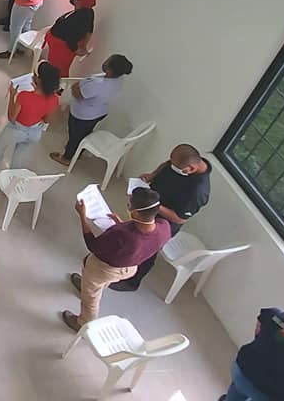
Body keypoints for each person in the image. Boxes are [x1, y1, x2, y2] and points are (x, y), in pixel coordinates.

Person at [62, 187, 171, 330]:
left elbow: (93, 245)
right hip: (130, 268)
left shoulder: (122, 234)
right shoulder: (165, 227)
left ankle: (83, 323)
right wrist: (120, 223)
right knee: (101, 283)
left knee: (91, 296)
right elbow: (144, 239)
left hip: (104, 269)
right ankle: (87, 285)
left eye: (129, 205)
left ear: (136, 213)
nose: (128, 206)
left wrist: (82, 216)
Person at [112, 144, 212, 291]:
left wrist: (155, 205)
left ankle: (131, 282)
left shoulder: (198, 191)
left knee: (146, 249)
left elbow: (179, 218)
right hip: (152, 205)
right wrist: (153, 175)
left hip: (164, 221)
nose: (172, 166)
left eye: (176, 167)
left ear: (191, 169)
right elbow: (167, 164)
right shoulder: (186, 161)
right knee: (133, 236)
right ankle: (119, 261)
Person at [52, 54, 133, 166]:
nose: (105, 62)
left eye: (107, 61)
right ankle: (78, 151)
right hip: (99, 112)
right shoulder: (118, 80)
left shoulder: (98, 85)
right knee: (85, 132)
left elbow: (78, 94)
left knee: (75, 135)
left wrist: (75, 86)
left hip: (83, 115)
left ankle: (67, 158)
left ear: (109, 70)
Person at [0, 62, 63, 172]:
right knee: (19, 158)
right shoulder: (55, 99)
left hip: (16, 130)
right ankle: (13, 176)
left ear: (38, 80)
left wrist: (12, 95)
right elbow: (46, 120)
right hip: (35, 133)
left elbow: (12, 118)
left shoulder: (24, 96)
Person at [39, 0, 98, 76]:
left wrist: (79, 50)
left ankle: (53, 84)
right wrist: (83, 47)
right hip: (58, 41)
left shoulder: (78, 20)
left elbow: (71, 40)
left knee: (57, 70)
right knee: (59, 69)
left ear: (83, 2)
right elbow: (89, 31)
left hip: (60, 46)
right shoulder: (89, 11)